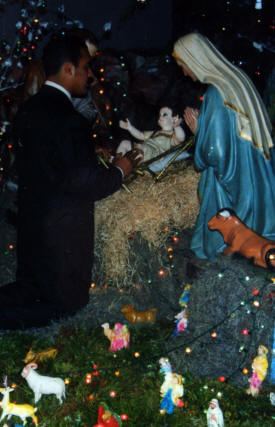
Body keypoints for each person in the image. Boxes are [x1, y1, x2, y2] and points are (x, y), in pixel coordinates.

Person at [0, 36, 141, 330]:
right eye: (86, 67)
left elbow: (50, 163)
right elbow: (87, 183)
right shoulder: (70, 120)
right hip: (61, 237)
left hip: (32, 224)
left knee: (29, 291)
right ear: (68, 69)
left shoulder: (30, 109)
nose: (90, 76)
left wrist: (89, 155)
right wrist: (120, 169)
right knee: (63, 307)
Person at [173, 33, 275, 260]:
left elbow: (216, 152)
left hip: (237, 184)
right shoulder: (237, 80)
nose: (184, 72)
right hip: (257, 173)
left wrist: (199, 132)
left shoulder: (216, 93)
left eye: (183, 65)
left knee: (222, 244)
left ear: (195, 60)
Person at [116, 106, 190, 172]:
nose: (160, 117)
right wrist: (130, 128)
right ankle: (116, 164)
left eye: (164, 115)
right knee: (124, 143)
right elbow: (141, 135)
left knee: (141, 150)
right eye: (160, 115)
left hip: (153, 155)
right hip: (143, 147)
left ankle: (125, 166)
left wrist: (177, 126)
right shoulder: (155, 132)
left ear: (174, 118)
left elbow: (181, 138)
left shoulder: (172, 136)